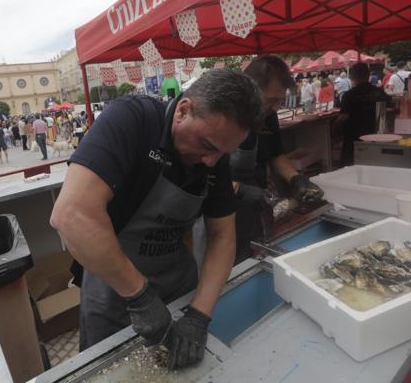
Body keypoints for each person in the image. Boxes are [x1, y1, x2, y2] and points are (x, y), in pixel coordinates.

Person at [50, 69, 262, 370]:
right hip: (114, 293)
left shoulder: (215, 152)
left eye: (223, 153)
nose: (212, 162)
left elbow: (222, 235)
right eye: (209, 146)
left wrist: (199, 315)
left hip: (178, 287)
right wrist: (140, 297)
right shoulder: (131, 120)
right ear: (184, 110)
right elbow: (71, 214)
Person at [230, 56, 324, 262]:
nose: (276, 108)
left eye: (279, 101)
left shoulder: (268, 115)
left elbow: (275, 155)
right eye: (272, 100)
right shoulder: (225, 116)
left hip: (258, 201)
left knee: (259, 255)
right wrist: (240, 190)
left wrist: (296, 179)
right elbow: (202, 175)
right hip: (222, 210)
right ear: (249, 89)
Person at [335, 62, 393, 165]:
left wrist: (335, 128)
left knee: (351, 170)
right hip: (376, 138)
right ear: (368, 75)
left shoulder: (349, 95)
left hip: (354, 141)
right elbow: (390, 110)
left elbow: (344, 116)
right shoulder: (379, 92)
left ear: (352, 76)